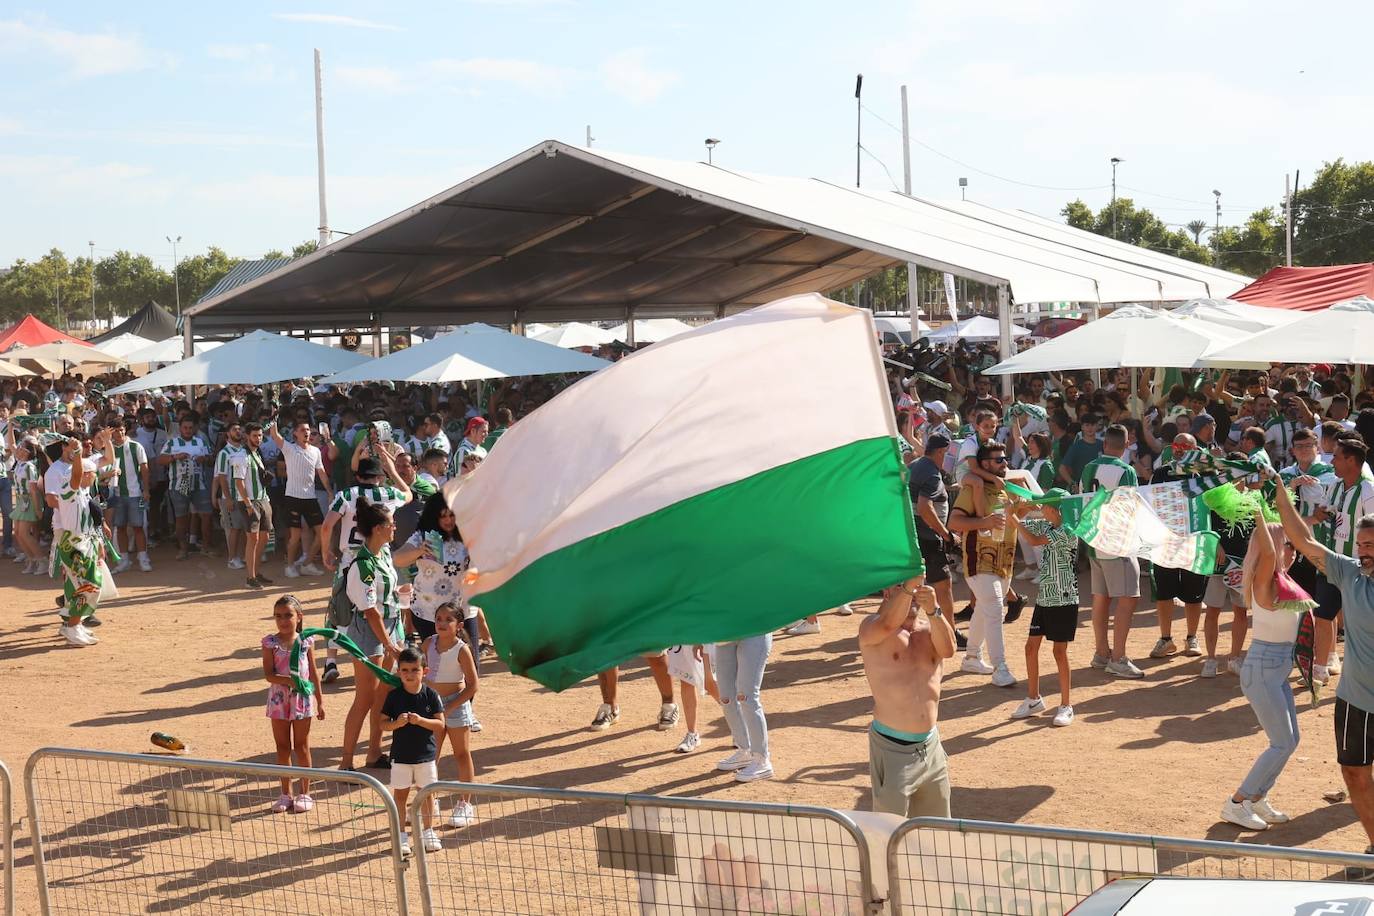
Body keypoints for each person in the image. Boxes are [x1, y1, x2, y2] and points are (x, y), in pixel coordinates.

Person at [1270, 465, 1374, 856]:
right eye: (1360, 545)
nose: (1362, 552)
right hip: (1356, 699)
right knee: (1354, 774)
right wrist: (1282, 491)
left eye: (1370, 546)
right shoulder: (1349, 573)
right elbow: (1303, 539)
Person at [1220, 510, 1301, 831]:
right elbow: (1268, 551)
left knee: (1290, 740)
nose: (1293, 550)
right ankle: (1237, 802)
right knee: (1281, 742)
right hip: (1263, 670)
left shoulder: (1283, 578)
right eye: (1288, 545)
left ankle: (1258, 797)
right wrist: (1257, 512)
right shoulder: (1265, 577)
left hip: (1275, 671)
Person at [859, 575, 954, 817]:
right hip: (892, 749)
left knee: (938, 831)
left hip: (930, 747)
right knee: (888, 831)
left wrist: (934, 610)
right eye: (902, 586)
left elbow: (949, 649)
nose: (913, 593)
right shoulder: (871, 628)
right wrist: (907, 588)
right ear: (888, 593)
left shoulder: (929, 629)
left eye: (916, 587)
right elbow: (888, 624)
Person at [339, 501, 406, 772]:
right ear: (378, 529)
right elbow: (370, 613)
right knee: (365, 698)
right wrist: (390, 645)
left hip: (390, 626)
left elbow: (385, 597)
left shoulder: (384, 553)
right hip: (371, 632)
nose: (394, 528)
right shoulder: (363, 565)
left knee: (383, 696)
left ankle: (374, 753)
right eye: (391, 524)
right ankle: (345, 762)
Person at [948, 441, 1019, 687]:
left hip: (1004, 562)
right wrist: (985, 522)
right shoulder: (971, 489)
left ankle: (971, 656)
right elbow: (954, 522)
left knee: (984, 609)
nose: (1005, 463)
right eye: (999, 460)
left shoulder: (1006, 489)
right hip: (979, 561)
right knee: (995, 608)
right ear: (985, 464)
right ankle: (1000, 666)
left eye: (1005, 458)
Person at [1007, 491, 1078, 727]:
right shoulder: (1047, 523)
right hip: (1045, 597)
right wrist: (1021, 506)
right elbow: (1025, 521)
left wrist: (1014, 518)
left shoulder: (1067, 530)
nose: (1043, 511)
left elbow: (1033, 540)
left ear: (1055, 509)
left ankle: (1066, 705)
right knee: (1030, 647)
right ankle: (1033, 698)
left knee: (1059, 652)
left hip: (1064, 599)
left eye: (1045, 507)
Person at [1081, 424, 1144, 679]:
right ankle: (1117, 657)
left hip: (1093, 538)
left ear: (1104, 444)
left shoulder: (1088, 468)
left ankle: (1101, 653)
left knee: (1100, 597)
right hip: (1118, 542)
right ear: (1126, 444)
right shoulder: (1126, 470)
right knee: (1128, 598)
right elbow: (1130, 506)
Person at [1310, 437, 1374, 684]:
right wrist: (1313, 517)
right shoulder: (1335, 486)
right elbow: (1323, 513)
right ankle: (1319, 669)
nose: (1331, 461)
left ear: (1351, 460)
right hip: (1333, 563)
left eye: (1336, 456)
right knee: (1323, 615)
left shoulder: (1368, 490)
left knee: (1360, 622)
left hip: (1361, 568)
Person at [380, 646, 445, 857]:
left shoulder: (431, 695)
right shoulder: (394, 697)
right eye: (405, 670)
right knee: (400, 795)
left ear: (424, 671)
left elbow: (440, 724)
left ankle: (428, 831)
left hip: (425, 755)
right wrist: (396, 724)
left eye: (414, 670)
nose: (409, 674)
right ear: (398, 671)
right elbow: (382, 724)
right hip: (401, 756)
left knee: (426, 794)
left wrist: (421, 721)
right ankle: (401, 835)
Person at [262, 594, 324, 814]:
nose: (283, 620)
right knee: (282, 747)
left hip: (302, 700)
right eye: (278, 616)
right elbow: (269, 674)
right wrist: (289, 681)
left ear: (299, 617)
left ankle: (305, 793)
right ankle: (285, 793)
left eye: (288, 615)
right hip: (279, 700)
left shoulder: (306, 641)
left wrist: (320, 700)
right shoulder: (270, 642)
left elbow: (314, 672)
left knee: (302, 746)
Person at [1149, 433, 1209, 659]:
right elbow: (1150, 503)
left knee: (1194, 594)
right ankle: (1166, 639)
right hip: (1165, 541)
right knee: (1164, 593)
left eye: (1186, 445)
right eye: (1176, 444)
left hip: (1195, 541)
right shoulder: (1161, 473)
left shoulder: (1205, 475)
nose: (1180, 449)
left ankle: (1192, 637)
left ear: (1196, 450)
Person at [421, 603, 479, 828]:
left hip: (455, 706)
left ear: (459, 625)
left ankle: (465, 804)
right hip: (431, 707)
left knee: (461, 754)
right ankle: (429, 802)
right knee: (428, 757)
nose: (442, 623)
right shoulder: (428, 643)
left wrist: (451, 707)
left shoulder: (461, 649)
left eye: (448, 619)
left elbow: (473, 685)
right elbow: (418, 669)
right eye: (439, 619)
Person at [910, 434, 966, 650]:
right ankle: (950, 633)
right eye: (948, 453)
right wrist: (947, 535)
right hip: (929, 539)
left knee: (910, 586)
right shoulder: (932, 474)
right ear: (941, 452)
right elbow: (925, 507)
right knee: (943, 587)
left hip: (914, 536)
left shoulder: (914, 465)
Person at [270, 417, 333, 579]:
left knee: (322, 533)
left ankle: (307, 564)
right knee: (295, 536)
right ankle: (290, 566)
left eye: (309, 430)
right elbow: (275, 435)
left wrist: (329, 491)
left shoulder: (316, 451)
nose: (307, 433)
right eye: (303, 430)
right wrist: (273, 420)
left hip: (310, 498)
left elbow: (322, 473)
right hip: (293, 497)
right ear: (295, 434)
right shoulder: (289, 449)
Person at [713, 631, 776, 783]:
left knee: (747, 697)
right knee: (726, 698)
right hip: (724, 633)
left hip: (756, 631)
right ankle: (745, 751)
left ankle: (762, 759)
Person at [158, 412, 214, 560]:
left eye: (190, 427)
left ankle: (206, 547)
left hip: (199, 484)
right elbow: (161, 460)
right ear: (180, 428)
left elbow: (211, 460)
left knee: (206, 516)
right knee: (181, 518)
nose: (188, 430)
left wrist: (205, 459)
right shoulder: (172, 442)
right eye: (185, 427)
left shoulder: (200, 442)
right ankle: (183, 549)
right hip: (178, 485)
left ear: (194, 428)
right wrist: (174, 457)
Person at [229, 423, 275, 589]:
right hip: (250, 501)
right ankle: (250, 577)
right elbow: (238, 482)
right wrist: (248, 504)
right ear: (247, 436)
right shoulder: (241, 455)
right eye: (255, 436)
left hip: (262, 499)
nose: (258, 438)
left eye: (260, 435)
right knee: (253, 538)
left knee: (264, 537)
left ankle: (256, 572)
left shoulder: (256, 453)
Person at [106, 418, 152, 573]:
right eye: (115, 430)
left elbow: (144, 469)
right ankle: (124, 560)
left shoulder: (135, 446)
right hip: (117, 494)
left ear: (125, 429)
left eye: (121, 429)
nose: (118, 433)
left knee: (138, 527)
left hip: (135, 493)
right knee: (120, 527)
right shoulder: (109, 448)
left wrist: (146, 490)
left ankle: (143, 558)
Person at [213, 419, 248, 572]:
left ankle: (241, 556)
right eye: (234, 429)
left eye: (240, 429)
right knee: (234, 528)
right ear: (227, 434)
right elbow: (221, 477)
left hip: (244, 495)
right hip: (232, 496)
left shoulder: (244, 450)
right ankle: (232, 558)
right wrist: (227, 497)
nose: (238, 432)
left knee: (243, 528)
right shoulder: (224, 453)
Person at [9, 435, 43, 575]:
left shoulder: (30, 467)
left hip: (28, 500)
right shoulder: (19, 463)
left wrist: (37, 508)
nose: (18, 448)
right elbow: (11, 444)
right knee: (17, 533)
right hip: (20, 501)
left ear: (28, 451)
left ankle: (42, 560)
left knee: (24, 533)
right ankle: (31, 560)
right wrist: (11, 426)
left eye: (22, 446)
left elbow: (34, 490)